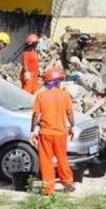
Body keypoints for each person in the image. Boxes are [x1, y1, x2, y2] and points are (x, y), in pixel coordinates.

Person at [31, 67, 76, 196]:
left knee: (46, 160)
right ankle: (67, 183)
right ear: (58, 81)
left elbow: (35, 116)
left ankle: (48, 188)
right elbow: (70, 114)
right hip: (61, 133)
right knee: (62, 158)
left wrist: (32, 131)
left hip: (46, 133)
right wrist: (72, 126)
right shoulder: (65, 95)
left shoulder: (41, 96)